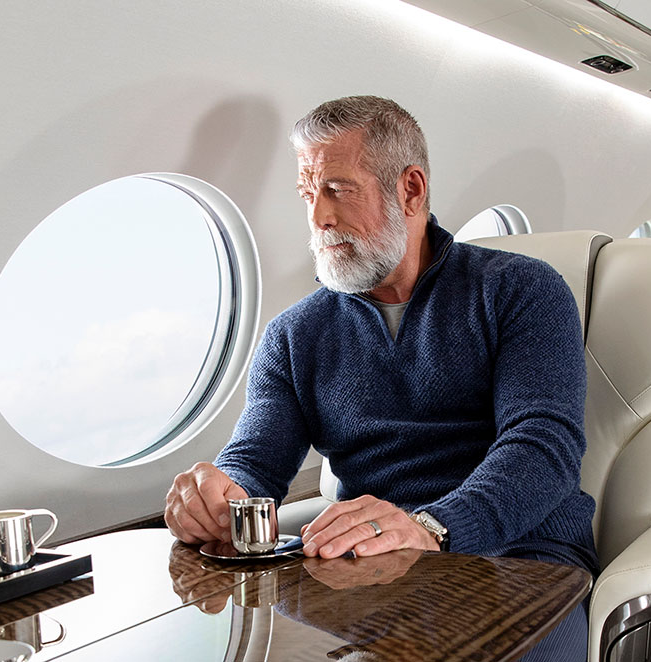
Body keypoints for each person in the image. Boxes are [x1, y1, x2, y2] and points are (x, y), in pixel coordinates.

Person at [165, 95, 598, 658]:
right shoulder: (293, 334)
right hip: (364, 569)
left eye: (337, 189)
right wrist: (219, 496)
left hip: (521, 559)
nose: (319, 217)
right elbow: (255, 462)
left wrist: (432, 527)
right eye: (308, 194)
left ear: (410, 190)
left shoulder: (521, 290)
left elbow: (543, 446)